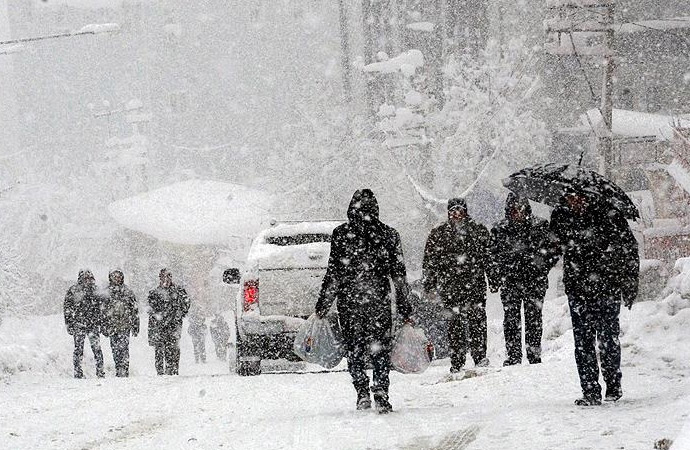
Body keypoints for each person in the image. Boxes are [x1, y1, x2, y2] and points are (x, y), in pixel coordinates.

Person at [315, 189, 412, 414]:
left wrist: (323, 304)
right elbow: (399, 275)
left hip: (350, 302)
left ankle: (361, 392)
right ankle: (381, 391)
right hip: (378, 301)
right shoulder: (388, 234)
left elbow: (334, 274)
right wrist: (405, 306)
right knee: (380, 349)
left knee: (355, 348)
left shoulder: (341, 234)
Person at [550, 191, 639, 406]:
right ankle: (590, 390)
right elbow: (551, 249)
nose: (575, 202)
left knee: (608, 339)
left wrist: (629, 283)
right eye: (570, 198)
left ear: (588, 196)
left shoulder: (608, 214)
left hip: (606, 287)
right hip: (578, 289)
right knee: (583, 342)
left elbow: (629, 248)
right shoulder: (561, 217)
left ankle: (613, 385)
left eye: (579, 197)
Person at [489, 193, 559, 366]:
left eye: (520, 209)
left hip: (534, 281)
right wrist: (497, 276)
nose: (517, 213)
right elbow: (492, 256)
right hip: (511, 281)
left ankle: (534, 354)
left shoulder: (540, 226)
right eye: (513, 209)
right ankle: (513, 356)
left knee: (534, 318)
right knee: (511, 319)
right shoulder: (499, 230)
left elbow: (553, 250)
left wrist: (542, 267)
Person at [422, 197, 491, 373]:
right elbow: (430, 261)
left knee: (477, 322)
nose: (457, 214)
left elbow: (489, 258)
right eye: (453, 210)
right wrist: (429, 284)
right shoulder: (439, 233)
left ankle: (480, 356)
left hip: (474, 285)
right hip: (450, 287)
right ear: (448, 212)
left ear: (466, 211)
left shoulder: (478, 231)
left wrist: (494, 279)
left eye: (460, 210)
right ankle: (457, 360)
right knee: (455, 326)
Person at [147, 269, 191, 375]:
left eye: (168, 277)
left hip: (174, 325)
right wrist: (158, 317)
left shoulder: (179, 291)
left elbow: (186, 303)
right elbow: (150, 309)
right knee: (159, 349)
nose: (165, 280)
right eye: (163, 277)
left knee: (173, 348)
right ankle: (160, 371)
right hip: (159, 326)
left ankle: (173, 369)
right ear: (160, 278)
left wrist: (180, 313)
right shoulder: (154, 293)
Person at [63, 269, 105, 378]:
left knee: (97, 349)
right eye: (85, 277)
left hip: (93, 324)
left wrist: (101, 321)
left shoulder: (96, 290)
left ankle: (100, 371)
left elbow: (102, 308)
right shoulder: (74, 290)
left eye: (89, 277)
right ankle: (78, 372)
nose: (88, 280)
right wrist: (69, 323)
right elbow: (67, 308)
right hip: (79, 324)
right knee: (78, 349)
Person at [102, 269, 139, 377]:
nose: (117, 279)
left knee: (124, 348)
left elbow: (134, 310)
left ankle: (124, 369)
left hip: (125, 326)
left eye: (118, 276)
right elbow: (102, 311)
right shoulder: (106, 292)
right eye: (114, 276)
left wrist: (135, 325)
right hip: (112, 326)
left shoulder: (128, 292)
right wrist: (104, 325)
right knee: (115, 349)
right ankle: (118, 368)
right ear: (110, 278)